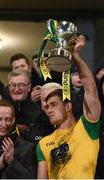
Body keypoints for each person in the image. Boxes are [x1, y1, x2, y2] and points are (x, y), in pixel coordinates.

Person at [36, 35, 101, 179]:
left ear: (67, 106)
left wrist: (76, 57)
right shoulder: (43, 143)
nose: (49, 110)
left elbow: (91, 90)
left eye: (53, 104)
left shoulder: (87, 128)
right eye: (46, 106)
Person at [3, 69, 54, 143]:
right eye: (13, 85)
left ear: (29, 87)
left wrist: (32, 102)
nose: (16, 89)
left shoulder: (40, 102)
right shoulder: (2, 102)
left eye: (21, 85)